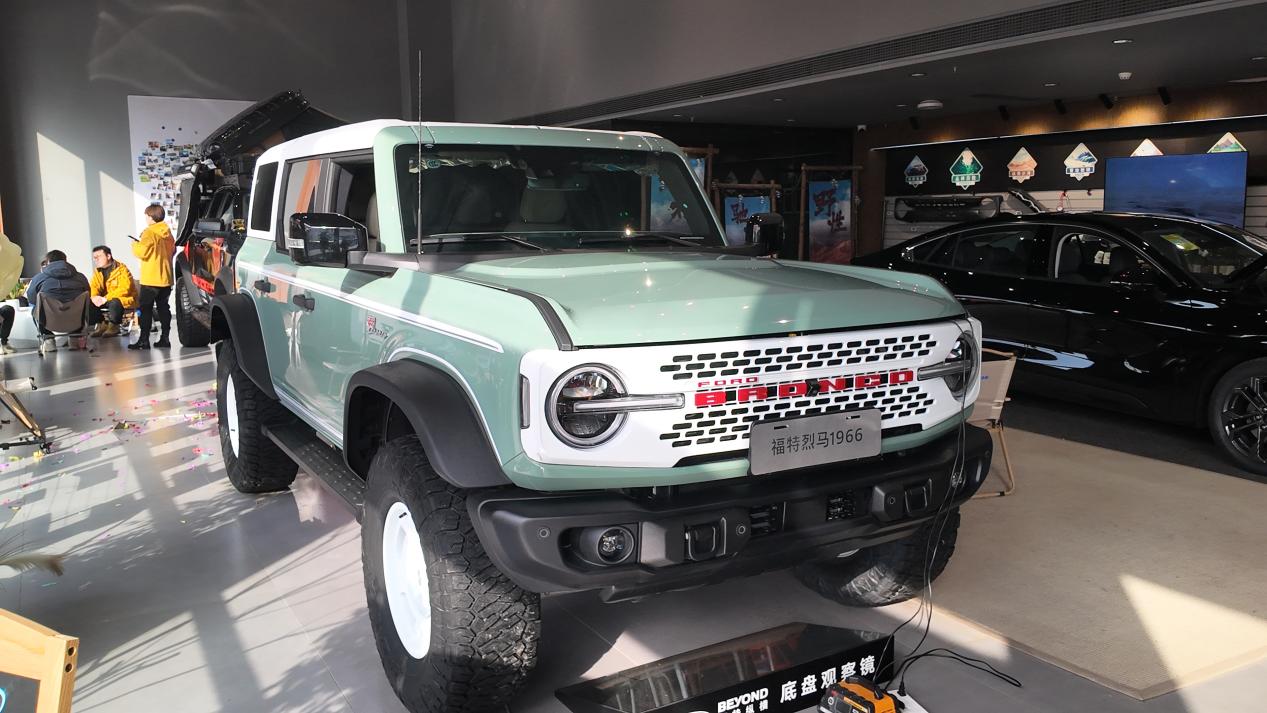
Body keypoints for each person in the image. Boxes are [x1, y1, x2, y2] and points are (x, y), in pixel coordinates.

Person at [130, 204, 176, 350]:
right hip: (166, 278)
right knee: (163, 308)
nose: (145, 218)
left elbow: (142, 252)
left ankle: (144, 340)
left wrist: (135, 245)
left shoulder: (149, 232)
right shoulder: (168, 233)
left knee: (145, 309)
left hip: (151, 278)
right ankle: (165, 338)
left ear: (151, 217)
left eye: (146, 216)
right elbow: (173, 251)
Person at [25, 250, 90, 350]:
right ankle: (75, 339)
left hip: (49, 320)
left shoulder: (39, 278)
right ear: (65, 261)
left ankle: (48, 340)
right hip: (75, 319)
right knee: (83, 305)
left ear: (48, 262)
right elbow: (88, 296)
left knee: (35, 308)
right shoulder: (80, 277)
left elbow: (31, 299)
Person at [88, 245, 138, 337]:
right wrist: (94, 297)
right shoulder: (98, 271)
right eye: (94, 258)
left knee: (115, 302)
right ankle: (101, 324)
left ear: (108, 256)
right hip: (105, 299)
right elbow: (94, 286)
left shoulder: (122, 269)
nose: (96, 260)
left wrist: (105, 298)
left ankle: (114, 326)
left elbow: (125, 289)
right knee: (89, 301)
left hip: (124, 299)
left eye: (99, 256)